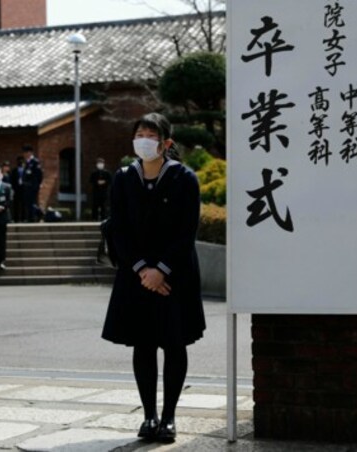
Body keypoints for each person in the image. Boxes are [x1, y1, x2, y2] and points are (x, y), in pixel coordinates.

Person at [101, 113, 206, 443]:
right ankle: (149, 415)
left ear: (166, 143)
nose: (144, 139)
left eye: (151, 134)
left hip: (175, 275)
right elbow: (118, 229)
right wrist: (143, 269)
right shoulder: (123, 178)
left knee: (174, 343)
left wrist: (161, 269)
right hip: (137, 275)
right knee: (143, 344)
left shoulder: (184, 178)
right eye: (139, 133)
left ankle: (170, 417)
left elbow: (186, 230)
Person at [21, 145, 43, 222]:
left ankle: (37, 215)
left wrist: (37, 185)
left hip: (33, 186)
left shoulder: (35, 162)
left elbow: (39, 175)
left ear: (30, 153)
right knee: (28, 202)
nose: (24, 154)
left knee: (32, 202)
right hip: (27, 186)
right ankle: (30, 217)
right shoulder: (26, 162)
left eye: (26, 152)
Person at [10, 156, 26, 222]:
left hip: (24, 189)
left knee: (24, 204)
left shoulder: (26, 170)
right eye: (19, 161)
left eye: (22, 161)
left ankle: (23, 218)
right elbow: (12, 180)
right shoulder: (14, 170)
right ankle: (16, 218)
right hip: (16, 189)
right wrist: (13, 188)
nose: (20, 162)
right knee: (16, 204)